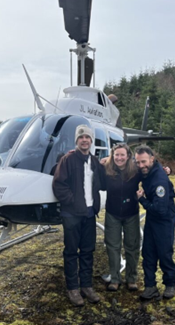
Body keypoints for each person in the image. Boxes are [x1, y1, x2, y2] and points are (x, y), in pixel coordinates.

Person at [52, 124, 105, 307]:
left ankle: (87, 286)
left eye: (88, 137)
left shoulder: (95, 161)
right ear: (77, 140)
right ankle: (73, 288)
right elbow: (59, 185)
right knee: (71, 252)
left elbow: (104, 181)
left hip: (90, 214)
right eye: (81, 137)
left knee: (88, 251)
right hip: (72, 214)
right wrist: (73, 201)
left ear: (91, 141)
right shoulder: (67, 160)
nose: (84, 140)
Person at [135, 145, 175, 300]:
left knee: (164, 252)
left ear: (152, 159)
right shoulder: (148, 170)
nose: (141, 166)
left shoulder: (159, 179)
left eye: (144, 162)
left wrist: (142, 200)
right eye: (138, 162)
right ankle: (150, 286)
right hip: (153, 214)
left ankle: (170, 284)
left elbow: (160, 209)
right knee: (148, 251)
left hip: (164, 216)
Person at [103, 143, 141, 292]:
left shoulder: (136, 170)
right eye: (116, 155)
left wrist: (167, 170)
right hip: (112, 213)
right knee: (113, 246)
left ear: (128, 156)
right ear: (113, 156)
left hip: (131, 212)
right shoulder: (106, 169)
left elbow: (151, 167)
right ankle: (115, 278)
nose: (119, 158)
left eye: (122, 155)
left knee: (132, 246)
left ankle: (131, 279)